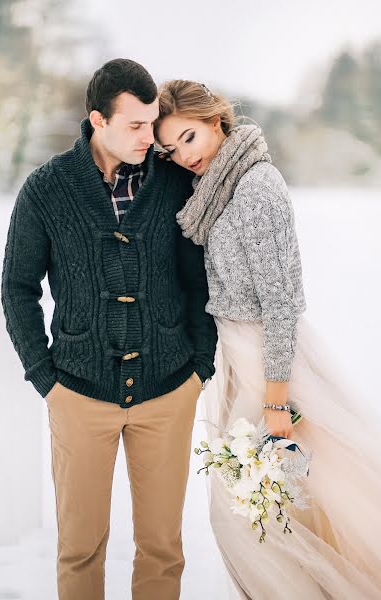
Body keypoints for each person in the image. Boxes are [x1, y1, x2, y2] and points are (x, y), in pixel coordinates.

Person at [155, 79, 381, 599]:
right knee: (256, 511)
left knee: (273, 508)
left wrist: (278, 400)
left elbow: (283, 303)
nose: (181, 156)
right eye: (171, 148)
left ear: (216, 121)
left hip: (273, 366)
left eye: (188, 138)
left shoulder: (257, 186)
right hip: (237, 363)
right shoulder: (214, 191)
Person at [1, 61, 217, 600]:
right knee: (79, 548)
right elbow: (18, 287)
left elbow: (200, 281)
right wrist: (44, 376)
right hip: (77, 392)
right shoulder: (46, 190)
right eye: (137, 126)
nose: (151, 138)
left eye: (153, 123)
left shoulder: (174, 184)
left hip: (169, 388)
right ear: (98, 119)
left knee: (163, 548)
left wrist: (200, 365)